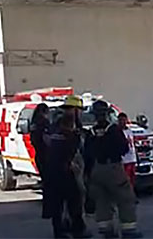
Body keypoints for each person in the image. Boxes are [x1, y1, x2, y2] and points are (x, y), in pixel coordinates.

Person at [84, 100, 142, 239]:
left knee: (102, 200)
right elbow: (124, 148)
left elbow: (86, 153)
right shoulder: (114, 130)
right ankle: (129, 230)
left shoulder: (90, 133)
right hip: (113, 168)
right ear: (107, 114)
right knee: (125, 198)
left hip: (97, 169)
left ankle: (106, 230)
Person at [44, 111, 91, 238]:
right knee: (74, 202)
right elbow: (75, 148)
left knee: (57, 206)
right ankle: (77, 229)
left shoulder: (54, 137)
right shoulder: (70, 136)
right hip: (66, 174)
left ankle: (59, 232)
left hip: (53, 174)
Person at [29, 103, 51, 219]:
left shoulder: (34, 123)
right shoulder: (44, 123)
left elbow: (33, 140)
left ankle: (46, 208)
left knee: (45, 181)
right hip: (46, 155)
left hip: (39, 155)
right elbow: (47, 140)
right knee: (49, 183)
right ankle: (49, 208)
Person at [117, 112, 137, 190]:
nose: (123, 122)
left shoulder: (129, 131)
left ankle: (131, 193)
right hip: (124, 160)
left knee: (132, 178)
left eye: (124, 120)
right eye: (121, 120)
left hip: (132, 158)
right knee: (125, 179)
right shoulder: (117, 132)